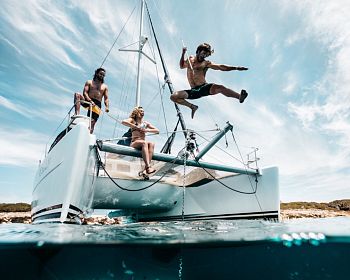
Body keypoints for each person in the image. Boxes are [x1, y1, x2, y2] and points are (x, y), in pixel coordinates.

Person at [170, 43, 249, 118]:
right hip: (193, 91)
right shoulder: (190, 59)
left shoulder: (206, 63)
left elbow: (221, 67)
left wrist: (235, 68)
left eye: (206, 55)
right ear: (198, 51)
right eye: (203, 53)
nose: (204, 56)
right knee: (174, 97)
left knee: (220, 88)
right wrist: (183, 53)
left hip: (204, 87)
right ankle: (193, 107)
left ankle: (239, 97)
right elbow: (182, 66)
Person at [122, 106, 159, 175]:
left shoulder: (145, 123)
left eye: (143, 111)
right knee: (144, 143)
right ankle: (148, 166)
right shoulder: (132, 120)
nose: (143, 113)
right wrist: (135, 126)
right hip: (134, 142)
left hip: (142, 143)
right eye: (141, 111)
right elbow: (123, 122)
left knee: (151, 144)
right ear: (137, 112)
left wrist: (146, 130)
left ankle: (146, 169)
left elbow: (157, 131)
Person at [74, 68, 109, 133]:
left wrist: (107, 107)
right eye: (101, 74)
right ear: (96, 73)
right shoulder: (89, 82)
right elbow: (85, 93)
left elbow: (106, 98)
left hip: (97, 104)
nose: (102, 76)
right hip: (88, 100)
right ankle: (77, 115)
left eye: (103, 75)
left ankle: (88, 136)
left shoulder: (105, 87)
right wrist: (90, 100)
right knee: (77, 95)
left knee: (91, 124)